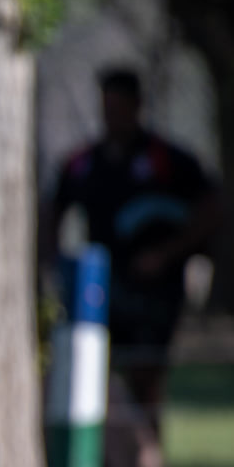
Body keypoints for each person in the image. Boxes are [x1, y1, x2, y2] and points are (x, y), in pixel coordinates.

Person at [45, 68, 220, 441]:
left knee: (145, 382)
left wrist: (166, 254)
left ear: (138, 106)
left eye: (120, 106)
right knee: (94, 382)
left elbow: (211, 211)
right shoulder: (84, 163)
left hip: (153, 293)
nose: (112, 116)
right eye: (106, 107)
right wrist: (53, 265)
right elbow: (51, 213)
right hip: (98, 291)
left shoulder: (168, 161)